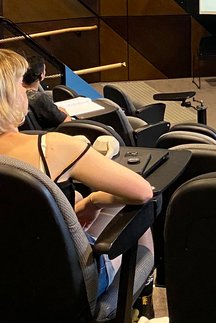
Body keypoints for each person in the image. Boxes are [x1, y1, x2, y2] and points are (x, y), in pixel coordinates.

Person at [0, 48, 153, 300]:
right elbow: (142, 192)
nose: (26, 91)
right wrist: (94, 201)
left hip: (9, 282)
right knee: (138, 210)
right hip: (61, 286)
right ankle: (140, 302)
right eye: (20, 83)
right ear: (7, 95)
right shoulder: (55, 146)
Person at [22, 56, 71, 129]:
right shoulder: (40, 99)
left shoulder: (13, 94)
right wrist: (64, 111)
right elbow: (66, 122)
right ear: (41, 75)